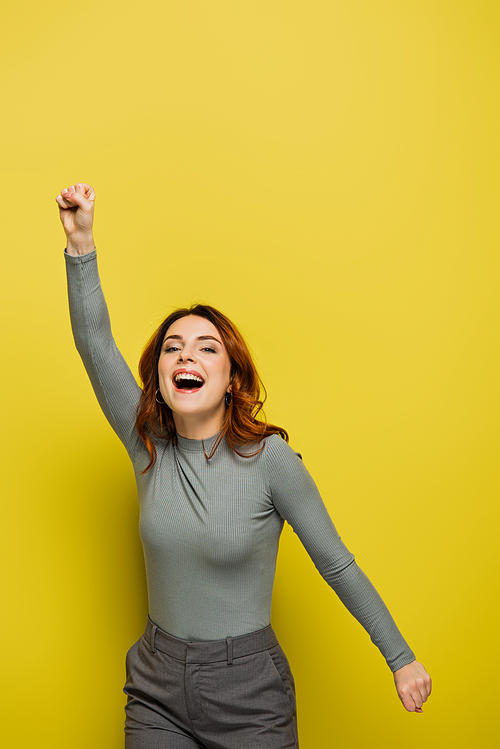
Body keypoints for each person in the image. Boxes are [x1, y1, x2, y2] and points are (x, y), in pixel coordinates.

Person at [56, 182, 432, 748]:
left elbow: (337, 564)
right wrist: (80, 241)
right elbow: (93, 340)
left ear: (232, 378)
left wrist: (400, 657)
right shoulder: (147, 445)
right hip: (157, 685)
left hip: (250, 694)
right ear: (159, 375)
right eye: (172, 347)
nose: (186, 355)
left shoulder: (270, 462)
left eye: (207, 347)